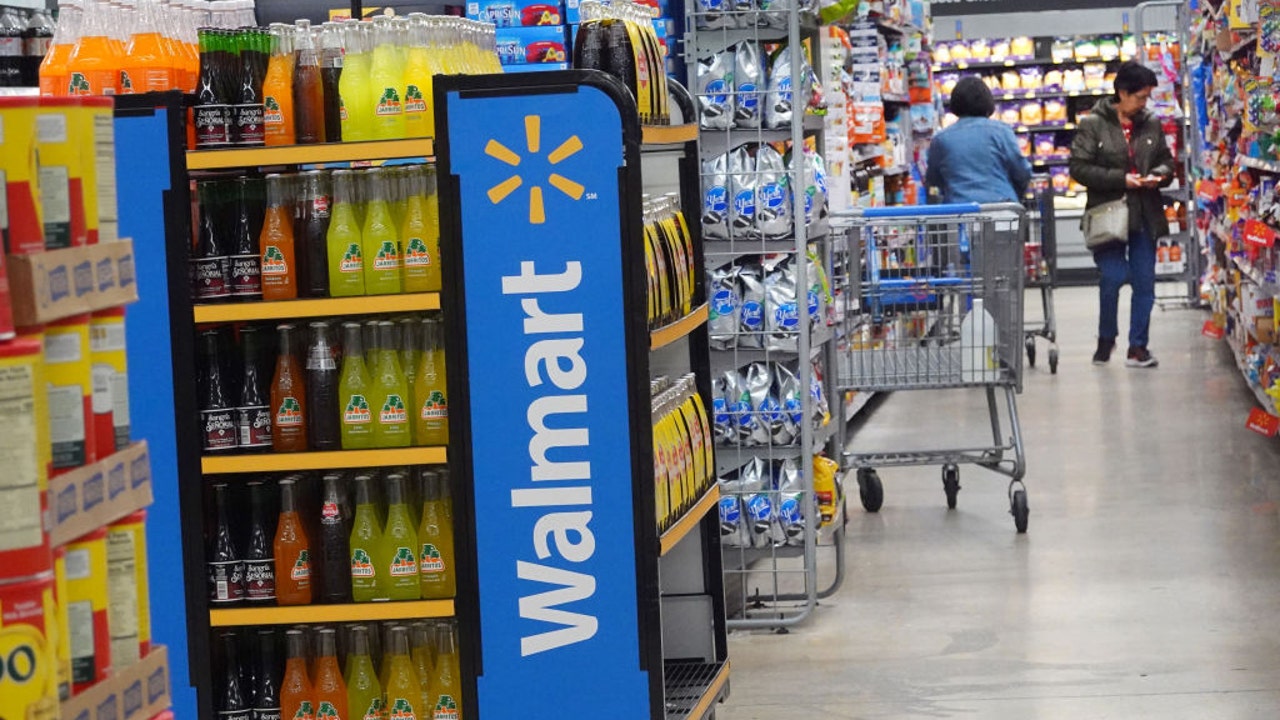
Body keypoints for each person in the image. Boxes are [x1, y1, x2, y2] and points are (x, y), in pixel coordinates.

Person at [1069, 61, 1174, 369]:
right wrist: (1121, 179)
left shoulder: (1151, 122)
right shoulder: (1093, 124)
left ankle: (1138, 347)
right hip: (1107, 214)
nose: (1144, 103)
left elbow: (1167, 161)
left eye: (1148, 97)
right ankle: (1106, 337)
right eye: (1140, 97)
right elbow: (1078, 168)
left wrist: (1158, 175)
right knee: (1113, 276)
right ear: (1123, 93)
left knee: (1144, 283)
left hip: (1145, 213)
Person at [926, 76, 1032, 204]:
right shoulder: (1002, 131)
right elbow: (1021, 170)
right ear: (988, 102)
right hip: (1002, 206)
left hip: (960, 209)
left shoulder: (941, 139)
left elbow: (934, 179)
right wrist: (1016, 194)